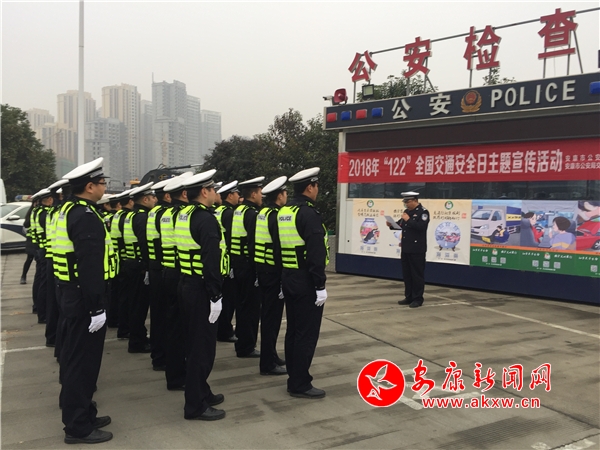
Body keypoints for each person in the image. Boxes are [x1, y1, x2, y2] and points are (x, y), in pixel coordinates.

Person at [53, 157, 116, 444]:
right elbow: (89, 267)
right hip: (83, 298)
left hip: (69, 293)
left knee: (74, 359)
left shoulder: (65, 210)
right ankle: (77, 426)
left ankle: (84, 412)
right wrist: (97, 306)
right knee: (83, 363)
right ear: (90, 187)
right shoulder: (85, 216)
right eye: (102, 183)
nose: (105, 187)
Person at [174, 169, 227, 420]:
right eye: (213, 189)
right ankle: (195, 405)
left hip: (187, 284)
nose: (216, 193)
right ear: (204, 192)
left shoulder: (184, 215)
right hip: (201, 289)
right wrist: (215, 295)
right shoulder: (205, 219)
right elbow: (211, 260)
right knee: (202, 348)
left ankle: (201, 391)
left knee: (193, 343)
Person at [277, 167, 329, 399]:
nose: (317, 190)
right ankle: (300, 383)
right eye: (316, 186)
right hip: (306, 281)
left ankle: (294, 377)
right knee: (306, 334)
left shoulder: (284, 212)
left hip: (289, 277)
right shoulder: (308, 214)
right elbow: (316, 255)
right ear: (310, 187)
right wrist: (320, 286)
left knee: (293, 331)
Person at [161, 172, 193, 391]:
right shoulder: (182, 215)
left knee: (172, 326)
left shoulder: (165, 214)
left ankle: (174, 373)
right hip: (180, 273)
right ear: (184, 193)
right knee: (182, 329)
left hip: (168, 271)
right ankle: (178, 376)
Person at [255, 176, 288, 376]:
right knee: (271, 319)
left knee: (269, 317)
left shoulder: (262, 213)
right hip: (273, 273)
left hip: (263, 270)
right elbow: (278, 247)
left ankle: (271, 355)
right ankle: (267, 363)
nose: (286, 196)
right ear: (279, 196)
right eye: (285, 193)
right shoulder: (275, 216)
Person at [230, 176, 265, 358]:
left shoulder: (238, 211)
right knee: (250, 309)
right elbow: (253, 243)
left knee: (241, 306)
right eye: (260, 192)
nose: (261, 196)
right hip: (248, 266)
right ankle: (247, 346)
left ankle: (242, 343)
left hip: (238, 264)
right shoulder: (252, 214)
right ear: (253, 194)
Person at [122, 182, 156, 354]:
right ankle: (137, 342)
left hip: (131, 263)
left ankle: (138, 337)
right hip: (139, 267)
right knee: (139, 306)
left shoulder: (130, 215)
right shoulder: (143, 217)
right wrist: (148, 266)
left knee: (134, 303)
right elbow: (145, 243)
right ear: (145, 199)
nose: (155, 200)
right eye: (152, 198)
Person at [145, 178, 172, 371]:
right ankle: (162, 357)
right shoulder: (165, 214)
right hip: (164, 269)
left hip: (156, 268)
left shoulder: (154, 212)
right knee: (166, 317)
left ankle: (158, 355)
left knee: (158, 315)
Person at [386, 191, 430, 308]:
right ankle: (409, 296)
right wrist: (391, 224)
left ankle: (418, 298)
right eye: (405, 202)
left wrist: (408, 220)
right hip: (406, 248)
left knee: (417, 275)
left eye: (408, 201)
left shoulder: (423, 212)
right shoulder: (407, 212)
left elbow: (421, 227)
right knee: (407, 274)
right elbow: (401, 225)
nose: (406, 204)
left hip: (417, 249)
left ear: (415, 200)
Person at [214, 181, 240, 343]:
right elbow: (231, 238)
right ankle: (225, 331)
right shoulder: (229, 214)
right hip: (228, 261)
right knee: (229, 300)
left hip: (219, 260)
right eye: (236, 194)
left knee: (222, 297)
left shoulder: (217, 211)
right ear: (230, 195)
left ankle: (221, 329)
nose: (238, 197)